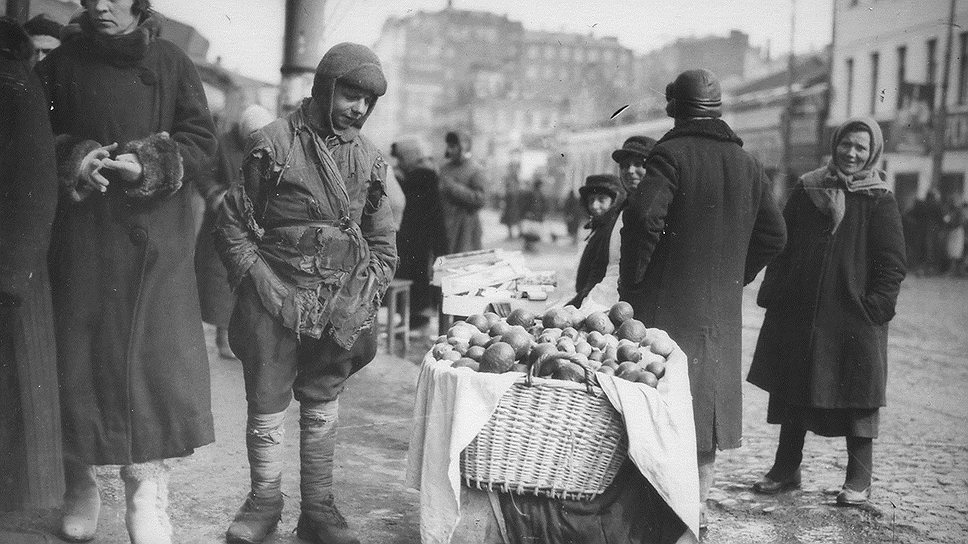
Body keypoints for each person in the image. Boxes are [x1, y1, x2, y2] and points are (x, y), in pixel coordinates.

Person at [36, 0, 218, 541]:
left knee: (150, 372)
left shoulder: (170, 62)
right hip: (83, 242)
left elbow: (200, 139)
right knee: (79, 365)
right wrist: (75, 159)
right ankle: (80, 484)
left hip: (154, 245)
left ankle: (146, 492)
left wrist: (151, 162)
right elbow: (27, 140)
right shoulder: (60, 65)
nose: (100, 6)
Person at [215, 42, 397, 544]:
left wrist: (361, 297)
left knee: (322, 398)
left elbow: (383, 243)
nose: (358, 108)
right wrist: (264, 288)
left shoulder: (371, 161)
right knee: (267, 400)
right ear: (324, 87)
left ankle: (318, 508)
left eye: (367, 100)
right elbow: (232, 226)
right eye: (350, 93)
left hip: (339, 307)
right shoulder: (272, 144)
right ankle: (264, 503)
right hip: (273, 300)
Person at [619, 68, 787, 530]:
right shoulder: (748, 164)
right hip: (720, 315)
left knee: (657, 405)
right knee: (706, 416)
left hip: (664, 309)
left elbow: (643, 220)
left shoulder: (669, 155)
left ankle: (656, 512)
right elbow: (775, 235)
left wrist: (633, 286)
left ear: (676, 109)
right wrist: (736, 276)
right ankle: (694, 510)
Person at [748, 117, 906, 507]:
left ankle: (859, 479)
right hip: (801, 310)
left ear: (873, 154)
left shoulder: (879, 198)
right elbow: (783, 244)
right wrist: (775, 290)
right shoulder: (809, 188)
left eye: (861, 148)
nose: (851, 154)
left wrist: (876, 306)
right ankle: (786, 469)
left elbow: (892, 263)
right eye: (845, 145)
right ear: (834, 144)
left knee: (858, 397)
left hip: (854, 314)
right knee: (793, 389)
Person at [0, 15, 64, 514]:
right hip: (18, 259)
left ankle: (27, 500)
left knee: (23, 382)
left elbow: (36, 185)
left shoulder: (16, 85)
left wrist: (15, 272)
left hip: (17, 263)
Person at [196, 104, 276, 360]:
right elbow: (204, 174)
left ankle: (244, 338)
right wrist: (216, 196)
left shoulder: (270, 146)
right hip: (223, 220)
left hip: (252, 224)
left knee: (250, 281)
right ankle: (223, 338)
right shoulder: (222, 144)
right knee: (221, 281)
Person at [391, 136, 447, 329]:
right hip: (418, 234)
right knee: (415, 275)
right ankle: (414, 316)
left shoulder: (422, 175)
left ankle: (417, 317)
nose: (399, 163)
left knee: (417, 275)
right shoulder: (426, 172)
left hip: (419, 235)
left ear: (410, 156)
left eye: (401, 158)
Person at [566, 174, 626, 308]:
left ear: (613, 202)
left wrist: (577, 303)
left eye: (601, 200)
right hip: (584, 296)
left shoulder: (610, 231)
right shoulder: (598, 227)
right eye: (591, 200)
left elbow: (597, 273)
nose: (594, 205)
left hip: (597, 301)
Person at [439, 130, 487, 254]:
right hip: (445, 226)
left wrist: (453, 187)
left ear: (463, 147)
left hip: (466, 229)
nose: (449, 150)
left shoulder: (476, 169)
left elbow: (480, 199)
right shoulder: (444, 169)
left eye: (453, 146)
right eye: (448, 146)